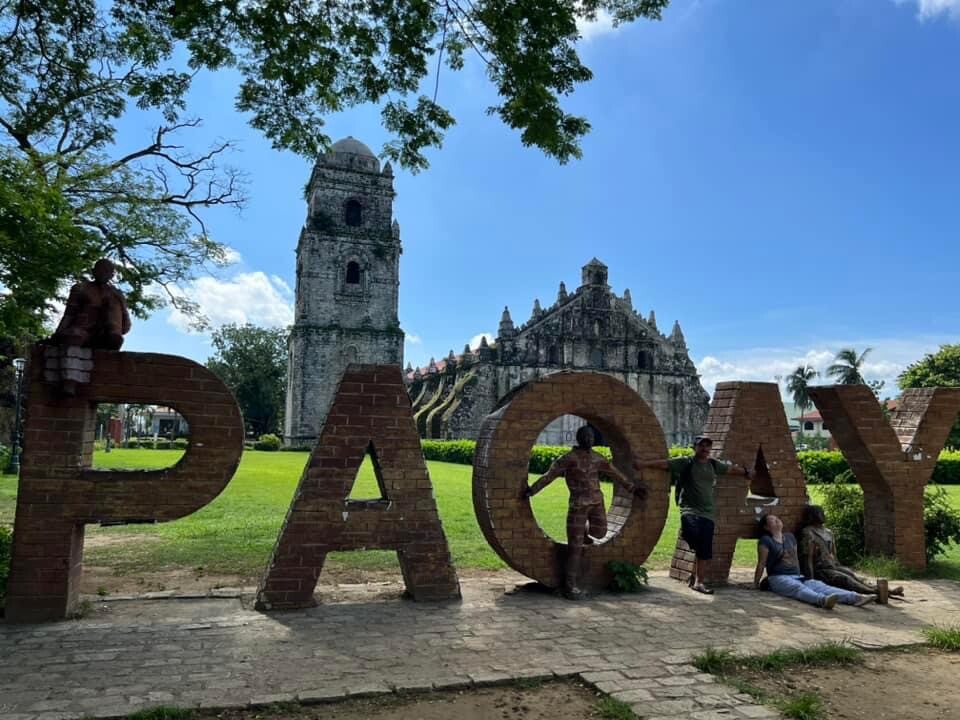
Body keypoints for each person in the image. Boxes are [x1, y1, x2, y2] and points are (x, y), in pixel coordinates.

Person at [523, 426, 647, 599]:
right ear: (579, 438)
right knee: (575, 548)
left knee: (601, 532)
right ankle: (570, 585)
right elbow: (549, 475)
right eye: (585, 437)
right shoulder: (568, 458)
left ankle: (586, 532)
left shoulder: (597, 458)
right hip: (578, 505)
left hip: (597, 503)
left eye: (590, 436)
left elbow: (615, 473)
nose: (588, 440)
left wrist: (632, 488)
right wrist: (532, 490)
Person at [634, 435, 752, 594]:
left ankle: (699, 582)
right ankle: (697, 564)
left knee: (704, 549)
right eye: (701, 446)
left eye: (707, 446)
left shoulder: (713, 464)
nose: (705, 449)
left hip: (708, 512)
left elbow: (730, 469)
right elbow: (665, 464)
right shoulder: (687, 462)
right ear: (694, 447)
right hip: (689, 509)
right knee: (691, 533)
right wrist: (643, 464)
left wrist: (745, 472)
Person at [755, 513, 876, 609]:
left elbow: (796, 559)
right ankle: (822, 600)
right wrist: (755, 583)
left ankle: (856, 598)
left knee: (822, 586)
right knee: (798, 589)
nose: (776, 520)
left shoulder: (790, 537)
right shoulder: (766, 540)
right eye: (772, 519)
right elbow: (761, 563)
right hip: (778, 577)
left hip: (797, 575)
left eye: (777, 518)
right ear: (766, 527)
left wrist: (804, 575)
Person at [799, 505, 904, 598]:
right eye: (818, 513)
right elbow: (807, 558)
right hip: (821, 569)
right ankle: (875, 592)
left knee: (854, 576)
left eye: (822, 512)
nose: (821, 515)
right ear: (811, 516)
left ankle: (885, 590)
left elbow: (834, 554)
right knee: (845, 579)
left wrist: (840, 567)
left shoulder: (828, 532)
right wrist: (811, 580)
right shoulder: (808, 532)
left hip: (833, 566)